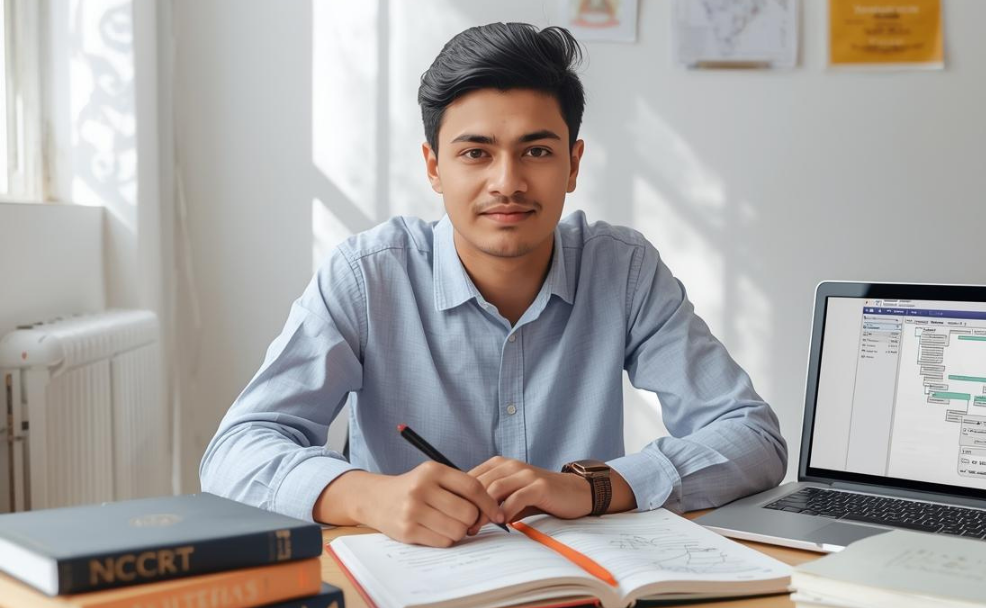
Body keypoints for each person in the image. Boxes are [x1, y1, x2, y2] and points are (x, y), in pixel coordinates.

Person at [200, 22, 786, 548]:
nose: (507, 182)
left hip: (586, 580)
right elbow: (235, 451)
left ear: (573, 165)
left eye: (536, 150)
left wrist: (596, 487)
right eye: (475, 153)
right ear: (434, 166)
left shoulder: (622, 268)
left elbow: (752, 435)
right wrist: (366, 495)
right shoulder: (368, 274)